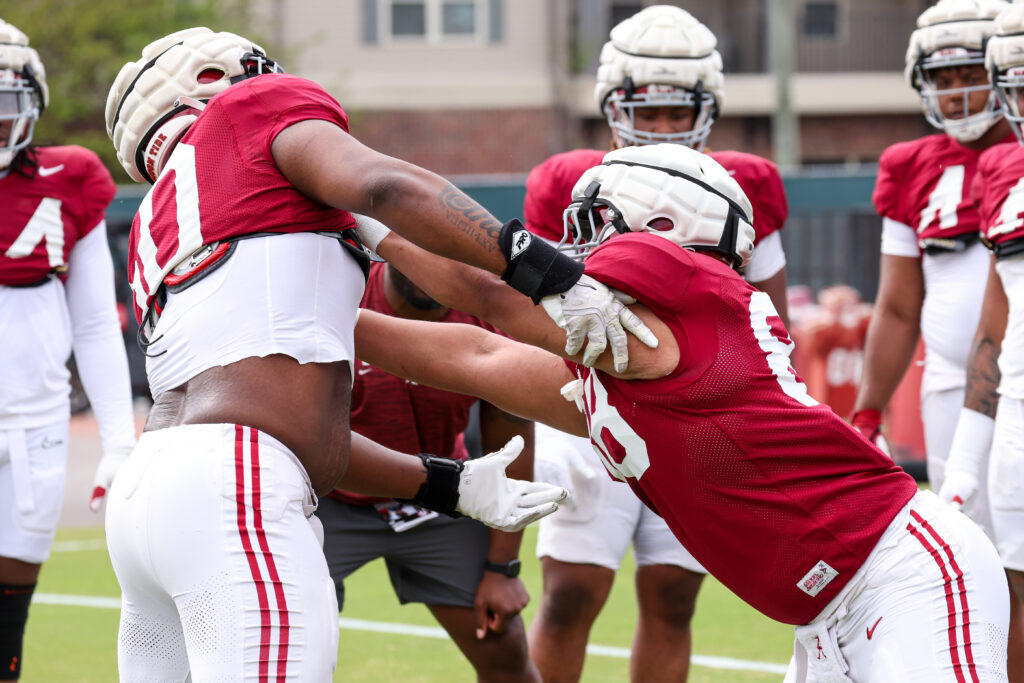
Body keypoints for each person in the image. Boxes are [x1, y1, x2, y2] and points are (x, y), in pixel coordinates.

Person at [353, 142, 1010, 682]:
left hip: (901, 576)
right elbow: (472, 356)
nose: (576, 252)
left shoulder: (692, 300)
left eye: (595, 226)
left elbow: (488, 296)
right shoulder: (637, 355)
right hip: (828, 612)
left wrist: (358, 210)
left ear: (665, 228)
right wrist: (318, 319)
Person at [100, 27, 597, 681]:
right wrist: (552, 271)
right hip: (235, 484)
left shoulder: (160, 224)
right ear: (218, 82)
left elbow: (452, 288)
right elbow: (384, 185)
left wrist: (446, 483)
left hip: (147, 496)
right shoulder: (256, 113)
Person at [519, 6, 790, 680]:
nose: (662, 127)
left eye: (678, 112)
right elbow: (531, 308)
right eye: (648, 110)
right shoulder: (565, 181)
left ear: (709, 106)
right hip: (588, 403)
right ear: (611, 103)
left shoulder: (745, 182)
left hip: (700, 412)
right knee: (570, 591)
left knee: (673, 596)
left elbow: (771, 310)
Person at [317, 260, 541, 681]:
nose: (431, 270)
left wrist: (503, 569)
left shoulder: (489, 319)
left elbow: (510, 444)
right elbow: (306, 435)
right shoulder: (335, 298)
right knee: (285, 645)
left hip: (444, 497)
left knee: (504, 650)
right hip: (327, 500)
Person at [0, 19, 137, 682]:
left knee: (7, 619)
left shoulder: (69, 176)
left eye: (3, 108)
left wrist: (119, 438)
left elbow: (93, 323)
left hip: (35, 422)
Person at [851, 0, 1012, 532]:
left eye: (973, 75)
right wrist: (869, 410)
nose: (960, 92)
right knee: (976, 549)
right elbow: (898, 307)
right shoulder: (909, 164)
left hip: (1018, 373)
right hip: (946, 381)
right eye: (945, 78)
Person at [939, 5, 1024, 679]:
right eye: (1017, 85)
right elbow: (994, 327)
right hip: (1018, 416)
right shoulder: (1008, 178)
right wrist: (969, 452)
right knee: (1013, 594)